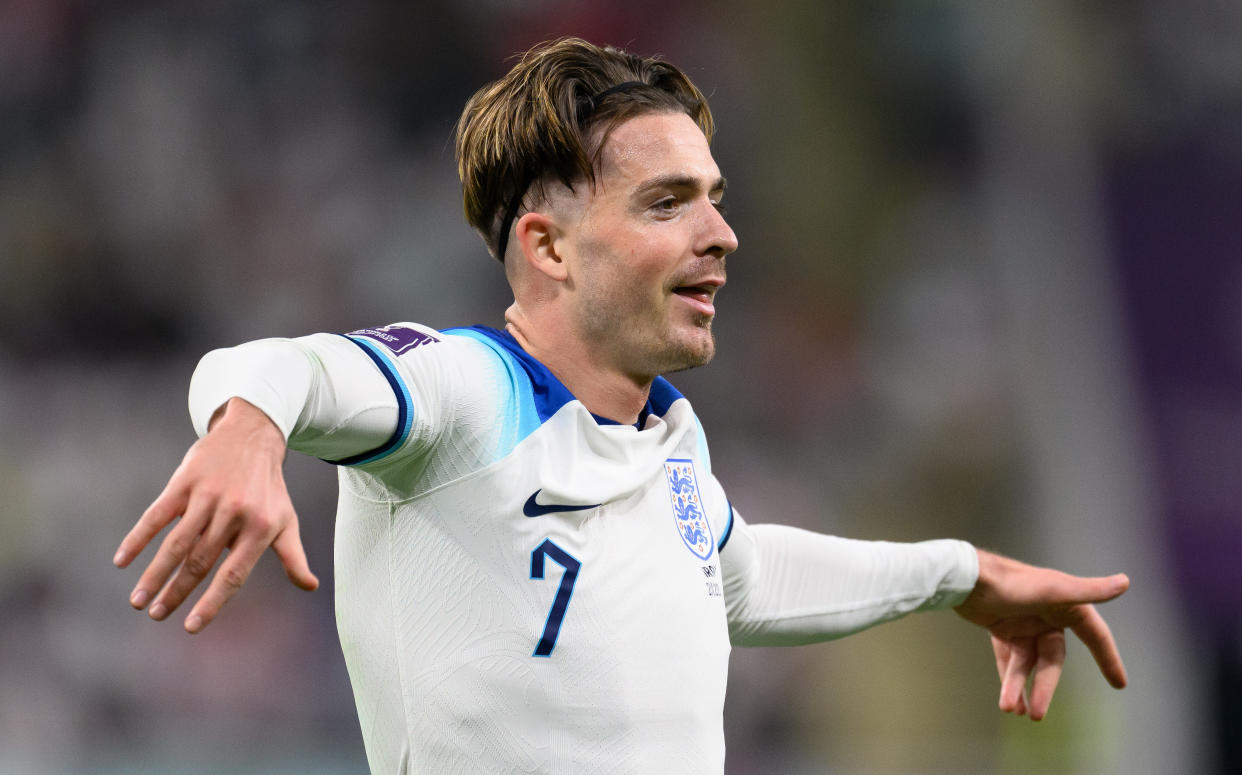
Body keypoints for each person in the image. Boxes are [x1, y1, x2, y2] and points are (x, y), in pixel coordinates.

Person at [113, 37, 1129, 773]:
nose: (722, 232)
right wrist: (247, 426)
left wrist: (963, 573)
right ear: (549, 246)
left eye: (714, 194)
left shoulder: (669, 443)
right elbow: (291, 364)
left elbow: (739, 572)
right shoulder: (474, 392)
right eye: (666, 202)